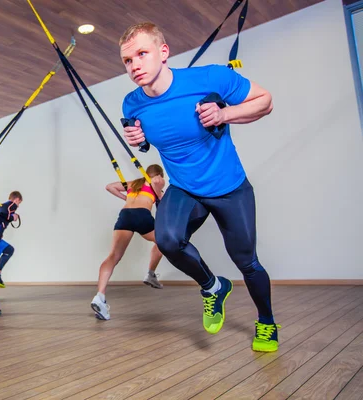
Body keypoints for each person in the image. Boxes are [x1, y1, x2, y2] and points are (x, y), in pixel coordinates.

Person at [119, 22, 278, 352]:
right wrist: (140, 141)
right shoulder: (131, 104)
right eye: (127, 60)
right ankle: (213, 286)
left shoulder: (209, 79)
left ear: (163, 53)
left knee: (247, 262)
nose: (134, 65)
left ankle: (266, 322)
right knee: (167, 240)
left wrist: (225, 114)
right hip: (185, 188)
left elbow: (265, 101)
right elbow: (148, 138)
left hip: (229, 188)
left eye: (141, 54)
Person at [91, 165, 166, 320]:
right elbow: (161, 197)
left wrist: (127, 198)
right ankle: (151, 274)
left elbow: (109, 187)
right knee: (164, 242)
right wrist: (159, 188)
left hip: (125, 215)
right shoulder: (157, 181)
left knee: (113, 256)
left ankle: (100, 296)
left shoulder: (134, 183)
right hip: (142, 215)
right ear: (159, 174)